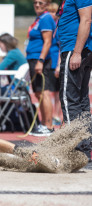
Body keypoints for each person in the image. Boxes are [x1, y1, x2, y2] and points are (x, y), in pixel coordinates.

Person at [57, 0, 92, 160]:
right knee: (81, 100)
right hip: (76, 48)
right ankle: (84, 149)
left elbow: (86, 19)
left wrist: (77, 52)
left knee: (68, 99)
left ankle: (76, 150)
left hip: (75, 48)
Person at [26, 0, 56, 136]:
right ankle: (44, 123)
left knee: (44, 92)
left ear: (47, 4)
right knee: (38, 93)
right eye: (35, 2)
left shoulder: (46, 18)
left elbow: (48, 41)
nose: (37, 5)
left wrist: (41, 60)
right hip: (33, 58)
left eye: (41, 3)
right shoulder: (39, 18)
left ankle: (49, 125)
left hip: (40, 59)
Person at [48, 3, 62, 126]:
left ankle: (56, 114)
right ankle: (50, 114)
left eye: (54, 12)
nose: (52, 14)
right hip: (48, 63)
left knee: (57, 92)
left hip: (55, 63)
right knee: (49, 91)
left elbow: (60, 49)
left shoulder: (58, 28)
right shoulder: (47, 26)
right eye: (50, 12)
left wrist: (58, 65)